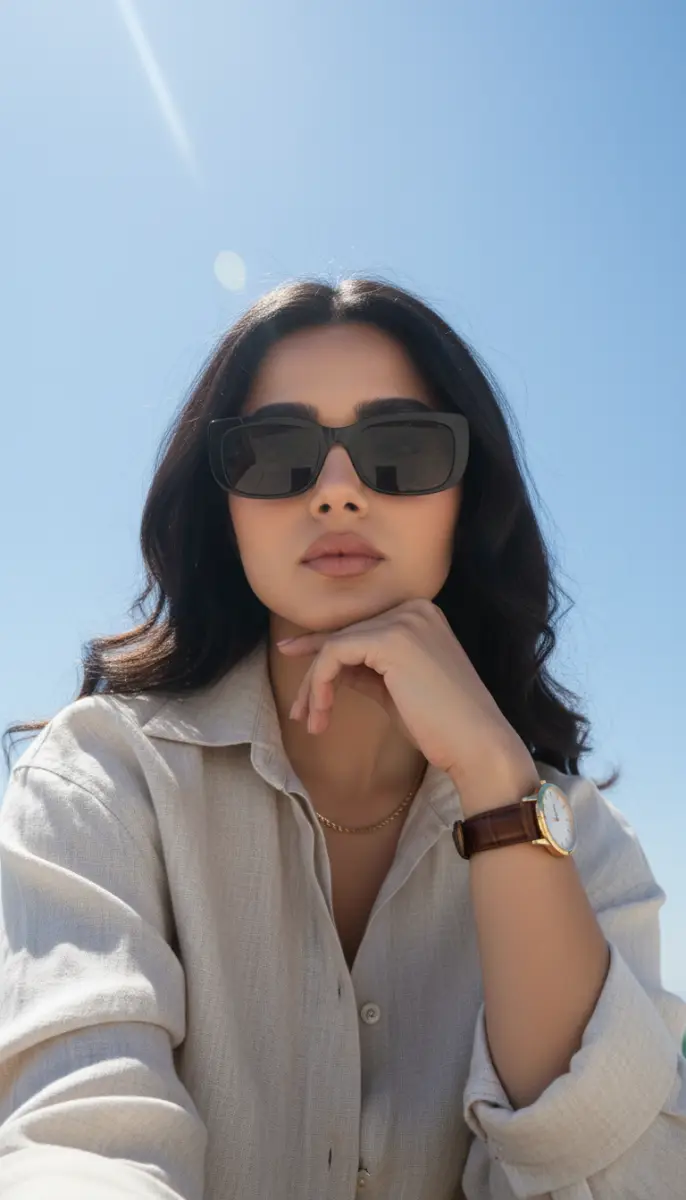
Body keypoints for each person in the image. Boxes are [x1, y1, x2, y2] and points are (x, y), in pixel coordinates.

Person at [0, 278, 684, 1200]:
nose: (335, 492)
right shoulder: (102, 782)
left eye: (398, 449)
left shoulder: (584, 841)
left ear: (465, 497)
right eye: (276, 453)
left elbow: (614, 1175)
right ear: (225, 507)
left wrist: (494, 780)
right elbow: (79, 1142)